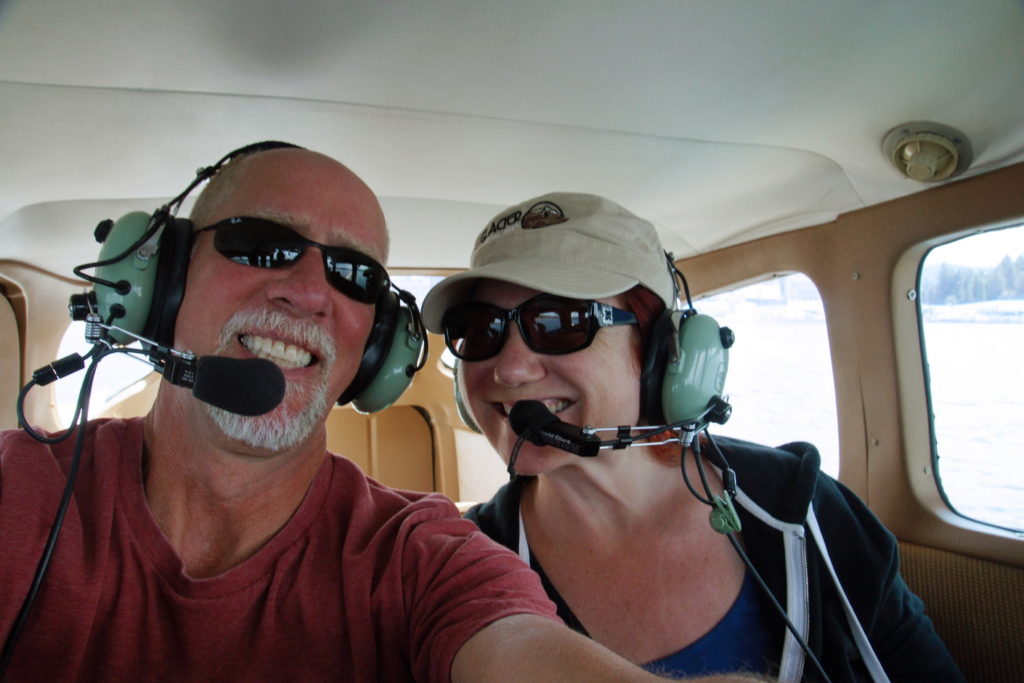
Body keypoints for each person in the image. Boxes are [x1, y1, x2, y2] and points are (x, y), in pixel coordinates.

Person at [0, 148, 760, 682]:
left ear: (377, 350)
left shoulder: (427, 555)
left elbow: (512, 642)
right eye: (262, 245)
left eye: (355, 272)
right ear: (159, 281)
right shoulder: (17, 487)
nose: (308, 290)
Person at [420, 192, 965, 682]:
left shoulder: (799, 509)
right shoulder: (468, 561)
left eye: (560, 321)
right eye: (480, 329)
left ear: (665, 354)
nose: (509, 369)